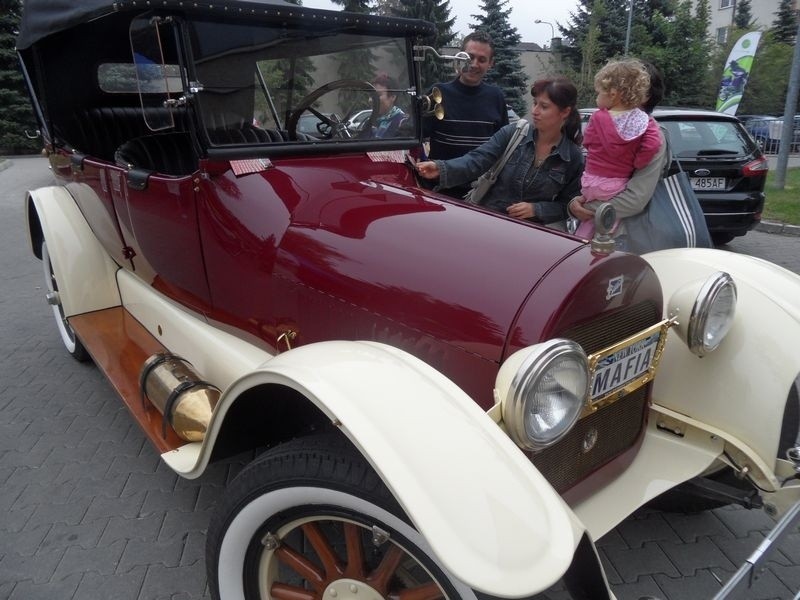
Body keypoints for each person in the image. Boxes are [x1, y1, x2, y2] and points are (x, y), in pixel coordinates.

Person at [415, 77, 584, 225]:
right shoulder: (513, 134)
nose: (535, 111)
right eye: (535, 103)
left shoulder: (573, 157)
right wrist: (441, 168)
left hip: (532, 239)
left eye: (544, 106)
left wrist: (537, 209)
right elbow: (477, 160)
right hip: (489, 225)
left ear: (565, 112)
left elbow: (568, 205)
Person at [568, 61, 669, 251]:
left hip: (627, 237)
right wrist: (575, 202)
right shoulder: (607, 122)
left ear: (644, 95)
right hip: (601, 227)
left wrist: (584, 209)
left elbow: (635, 199)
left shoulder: (651, 134)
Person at [423, 31, 509, 197]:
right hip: (440, 192)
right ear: (459, 57)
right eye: (469, 57)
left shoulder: (496, 97)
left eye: (482, 59)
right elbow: (414, 137)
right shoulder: (437, 93)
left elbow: (502, 149)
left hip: (482, 195)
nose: (474, 64)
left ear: (491, 63)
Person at [370, 73, 407, 138]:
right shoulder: (370, 120)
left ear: (392, 97)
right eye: (371, 95)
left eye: (378, 95)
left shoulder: (402, 123)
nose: (370, 100)